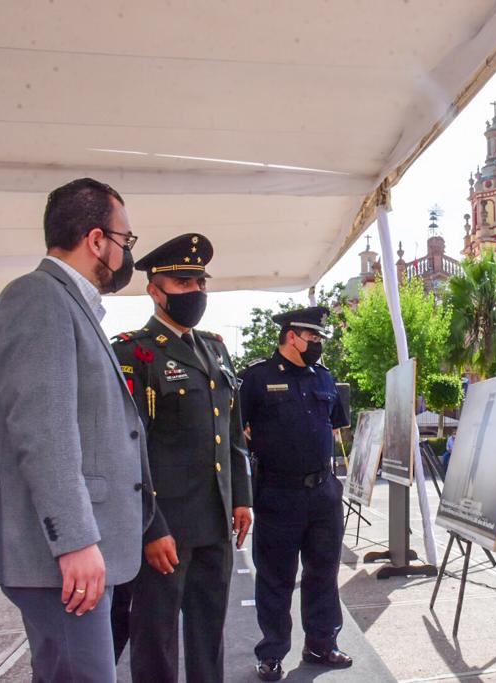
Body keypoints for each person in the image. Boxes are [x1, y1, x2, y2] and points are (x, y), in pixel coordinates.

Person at [0, 178, 155, 681]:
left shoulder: (65, 303)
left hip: (74, 557)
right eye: (125, 240)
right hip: (65, 557)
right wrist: (74, 541)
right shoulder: (40, 298)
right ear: (96, 240)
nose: (126, 253)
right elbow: (43, 430)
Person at [109, 234, 252, 682]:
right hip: (164, 530)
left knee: (210, 633)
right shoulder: (133, 352)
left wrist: (241, 497)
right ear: (155, 289)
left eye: (200, 282)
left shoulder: (214, 348)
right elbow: (127, 448)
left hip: (213, 522)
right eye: (183, 282)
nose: (195, 292)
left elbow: (232, 433)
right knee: (156, 637)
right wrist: (151, 527)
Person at [239, 306, 351, 681]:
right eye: (313, 338)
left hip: (322, 493)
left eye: (319, 338)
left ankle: (321, 643)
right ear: (291, 336)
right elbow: (236, 434)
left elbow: (333, 426)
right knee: (275, 577)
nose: (318, 344)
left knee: (323, 572)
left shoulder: (324, 378)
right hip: (278, 495)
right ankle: (272, 653)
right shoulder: (256, 378)